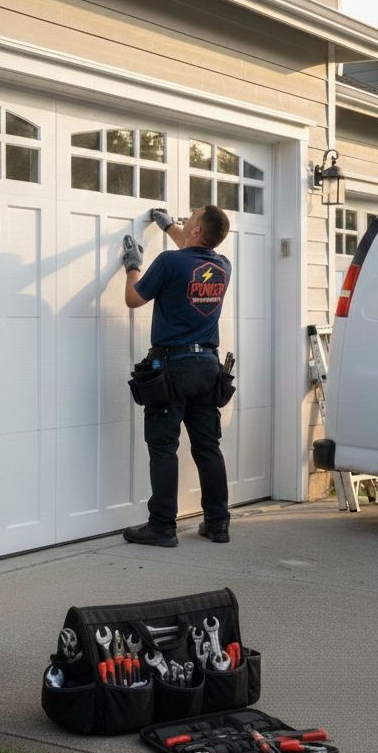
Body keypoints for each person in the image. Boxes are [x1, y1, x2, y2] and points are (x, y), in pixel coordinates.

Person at [120, 205, 233, 547]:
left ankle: (162, 527)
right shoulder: (221, 265)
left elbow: (132, 299)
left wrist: (133, 267)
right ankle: (218, 524)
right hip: (207, 368)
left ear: (197, 231)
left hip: (173, 367)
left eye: (190, 219)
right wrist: (167, 226)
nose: (185, 222)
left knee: (163, 447)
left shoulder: (169, 262)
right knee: (207, 447)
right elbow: (191, 245)